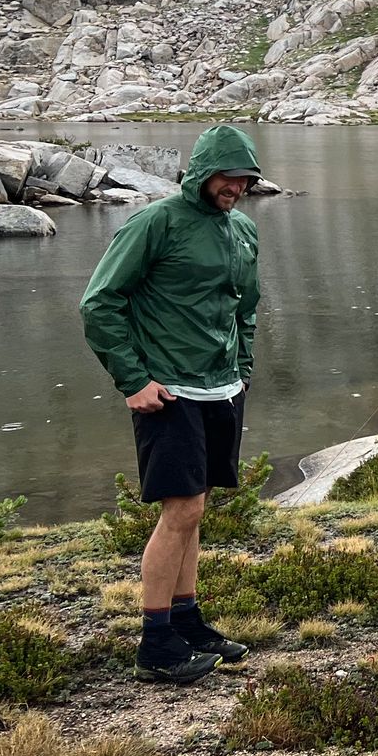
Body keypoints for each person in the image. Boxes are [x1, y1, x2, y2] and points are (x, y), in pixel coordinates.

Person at [80, 125, 263, 684]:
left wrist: (243, 372)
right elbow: (99, 304)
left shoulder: (243, 230)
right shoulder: (155, 222)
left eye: (244, 178)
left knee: (196, 508)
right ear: (203, 172)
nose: (235, 187)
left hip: (220, 388)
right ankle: (155, 643)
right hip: (169, 391)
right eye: (227, 176)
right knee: (180, 509)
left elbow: (245, 309)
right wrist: (134, 381)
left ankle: (186, 620)